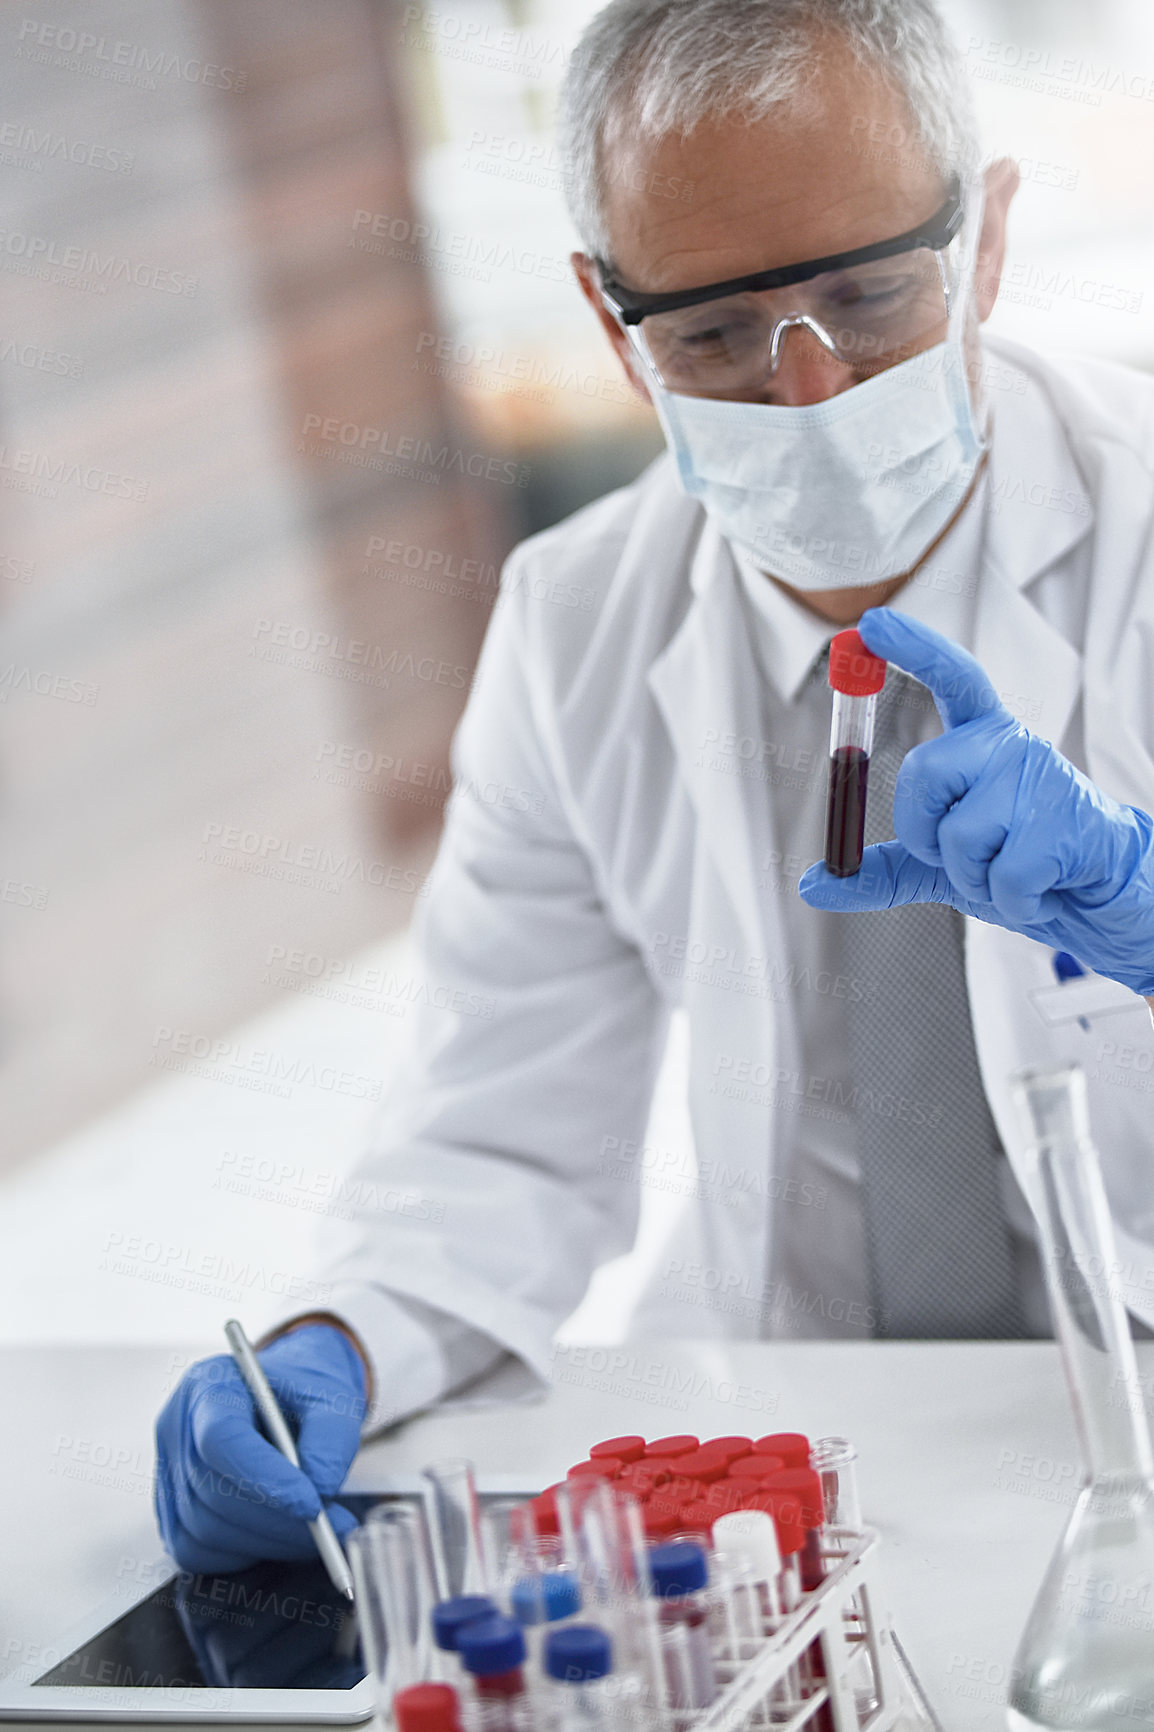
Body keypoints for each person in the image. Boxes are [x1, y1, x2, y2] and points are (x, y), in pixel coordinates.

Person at [155, 0, 1154, 1573]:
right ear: (610, 324)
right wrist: (333, 1340)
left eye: (870, 294)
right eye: (712, 334)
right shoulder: (574, 628)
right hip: (801, 1451)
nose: (809, 389)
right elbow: (500, 1131)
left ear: (990, 237)